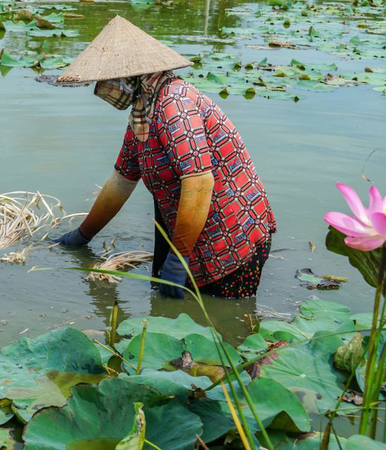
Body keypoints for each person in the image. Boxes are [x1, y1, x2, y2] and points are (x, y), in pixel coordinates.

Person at [53, 16, 276, 300]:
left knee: (222, 327)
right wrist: (82, 236)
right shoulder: (142, 111)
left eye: (109, 78)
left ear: (132, 76)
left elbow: (199, 184)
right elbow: (121, 181)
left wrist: (177, 260)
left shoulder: (174, 103)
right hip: (186, 230)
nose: (103, 85)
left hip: (230, 238)